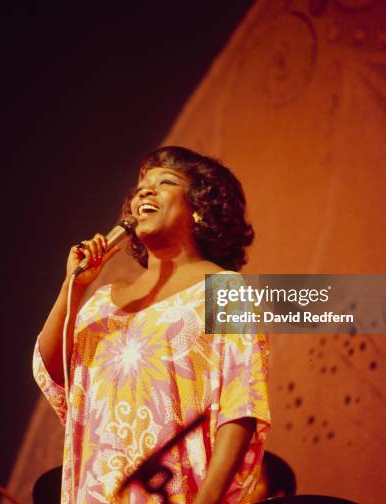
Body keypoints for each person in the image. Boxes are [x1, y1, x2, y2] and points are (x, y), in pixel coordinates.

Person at [33, 146, 271, 503]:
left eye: (166, 182)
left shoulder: (223, 291)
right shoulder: (102, 302)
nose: (145, 190)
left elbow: (241, 405)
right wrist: (74, 286)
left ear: (200, 208)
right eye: (141, 186)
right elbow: (56, 373)